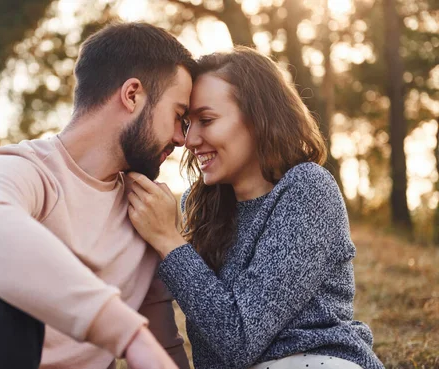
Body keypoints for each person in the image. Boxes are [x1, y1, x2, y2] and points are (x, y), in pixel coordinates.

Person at [0, 22, 196, 369]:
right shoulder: (15, 169)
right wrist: (127, 334)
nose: (182, 139)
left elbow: (162, 347)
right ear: (132, 95)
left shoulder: (146, 211)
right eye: (178, 116)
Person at [126, 46, 385, 369]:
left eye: (206, 120)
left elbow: (240, 339)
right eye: (188, 122)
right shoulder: (200, 207)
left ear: (259, 118)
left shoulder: (307, 188)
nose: (190, 140)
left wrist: (169, 241)